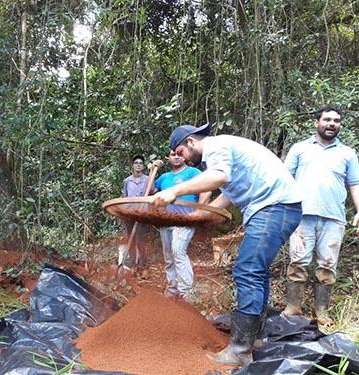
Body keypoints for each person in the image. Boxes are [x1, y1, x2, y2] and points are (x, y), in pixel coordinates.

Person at [149, 123, 303, 367]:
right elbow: (230, 194)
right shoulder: (223, 152)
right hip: (276, 207)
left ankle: (240, 349)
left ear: (190, 142)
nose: (183, 159)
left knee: (248, 269)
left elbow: (219, 178)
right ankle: (254, 339)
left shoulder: (216, 147)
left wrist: (175, 191)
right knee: (256, 271)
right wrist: (200, 215)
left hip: (275, 207)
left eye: (181, 152)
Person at [282, 105, 359, 326]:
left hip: (334, 218)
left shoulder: (347, 153)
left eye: (336, 120)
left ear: (340, 125)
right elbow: (285, 179)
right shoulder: (300, 148)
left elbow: (355, 184)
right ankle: (293, 307)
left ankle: (321, 312)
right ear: (317, 122)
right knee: (298, 262)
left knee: (327, 266)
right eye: (327, 120)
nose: (331, 124)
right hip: (301, 215)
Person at [151, 151, 211, 302]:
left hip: (185, 220)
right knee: (169, 257)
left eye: (179, 154)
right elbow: (151, 192)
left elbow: (206, 190)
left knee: (178, 252)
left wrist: (198, 212)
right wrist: (153, 170)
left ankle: (186, 293)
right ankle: (172, 289)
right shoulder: (164, 177)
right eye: (172, 154)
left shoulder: (193, 172)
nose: (176, 157)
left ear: (185, 157)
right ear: (168, 158)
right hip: (166, 221)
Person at [120, 155, 150, 273]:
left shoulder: (148, 180)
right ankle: (133, 264)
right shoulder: (127, 181)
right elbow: (125, 197)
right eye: (136, 163)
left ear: (143, 166)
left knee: (140, 240)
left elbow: (151, 194)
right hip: (129, 214)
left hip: (142, 214)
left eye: (140, 163)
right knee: (130, 240)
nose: (138, 165)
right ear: (133, 165)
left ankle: (143, 266)